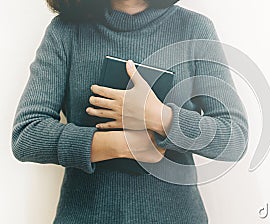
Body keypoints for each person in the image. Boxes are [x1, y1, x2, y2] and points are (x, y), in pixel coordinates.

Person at [11, 0, 248, 223]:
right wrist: (122, 144)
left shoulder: (194, 29)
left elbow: (235, 137)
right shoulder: (65, 31)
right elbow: (27, 135)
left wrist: (160, 117)